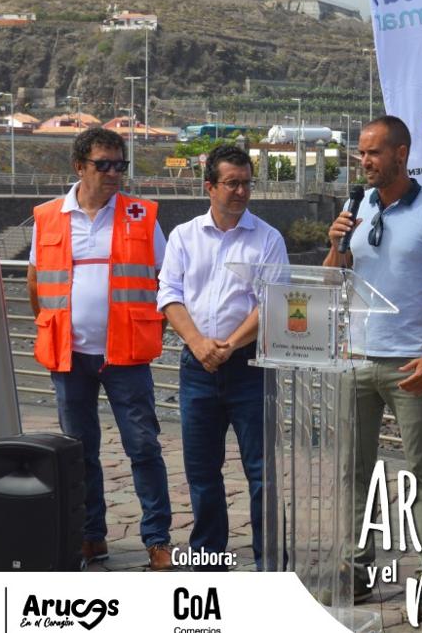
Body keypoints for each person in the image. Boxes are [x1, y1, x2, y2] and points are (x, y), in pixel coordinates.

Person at [323, 115, 422, 600]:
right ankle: (357, 567)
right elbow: (331, 282)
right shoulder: (355, 208)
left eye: (374, 152)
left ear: (401, 154)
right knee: (354, 469)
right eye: (361, 153)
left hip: (409, 360)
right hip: (357, 358)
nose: (364, 161)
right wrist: (334, 244)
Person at [27, 127, 174, 570]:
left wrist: (152, 326)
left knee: (144, 447)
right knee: (79, 451)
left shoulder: (140, 215)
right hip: (69, 356)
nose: (113, 173)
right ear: (79, 166)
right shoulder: (50, 216)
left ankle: (157, 539)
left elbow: (166, 279)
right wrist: (55, 324)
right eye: (103, 165)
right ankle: (91, 537)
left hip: (126, 356)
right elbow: (36, 282)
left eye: (120, 165)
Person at [158, 144, 288, 570]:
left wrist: (229, 345)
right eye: (231, 183)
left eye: (247, 183)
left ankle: (269, 562)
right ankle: (208, 559)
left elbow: (272, 302)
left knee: (261, 472)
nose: (241, 191)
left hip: (249, 367)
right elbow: (170, 295)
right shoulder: (183, 236)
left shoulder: (268, 238)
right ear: (209, 186)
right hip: (197, 368)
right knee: (202, 472)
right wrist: (198, 343)